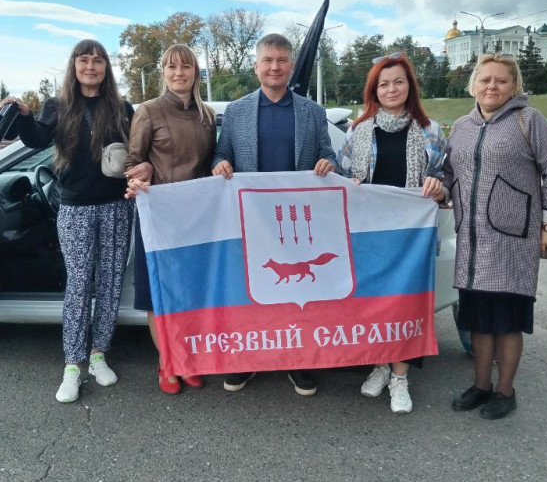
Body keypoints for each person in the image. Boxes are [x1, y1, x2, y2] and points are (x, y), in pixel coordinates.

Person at [0, 41, 134, 403]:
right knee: (78, 284)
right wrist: (24, 114)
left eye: (98, 60)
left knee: (110, 283)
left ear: (106, 67)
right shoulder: (57, 107)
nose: (91, 66)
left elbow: (139, 149)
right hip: (75, 209)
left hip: (117, 206)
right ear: (73, 66)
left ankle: (98, 354)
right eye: (83, 60)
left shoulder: (121, 108)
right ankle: (72, 365)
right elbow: (36, 138)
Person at [442, 52, 547, 420]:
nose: (492, 86)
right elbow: (449, 173)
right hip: (471, 240)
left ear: (514, 86)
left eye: (501, 80)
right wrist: (441, 190)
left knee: (508, 322)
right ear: (473, 85)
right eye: (485, 79)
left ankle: (505, 391)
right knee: (479, 320)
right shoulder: (461, 127)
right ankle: (481, 385)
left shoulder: (529, 120)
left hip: (513, 241)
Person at [211, 32, 337, 396]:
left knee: (299, 292)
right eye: (268, 60)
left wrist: (328, 162)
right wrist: (220, 164)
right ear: (256, 67)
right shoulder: (236, 112)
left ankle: (299, 361)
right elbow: (221, 153)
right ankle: (249, 359)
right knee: (251, 289)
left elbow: (328, 153)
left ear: (291, 66)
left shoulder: (312, 112)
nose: (275, 67)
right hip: (251, 220)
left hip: (296, 221)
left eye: (282, 60)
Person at [339, 52, 447, 414]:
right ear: (374, 90)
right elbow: (342, 177)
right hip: (369, 235)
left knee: (406, 306)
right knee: (374, 304)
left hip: (411, 236)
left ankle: (400, 377)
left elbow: (445, 179)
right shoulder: (358, 130)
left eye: (398, 81)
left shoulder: (430, 130)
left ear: (409, 86)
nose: (391, 89)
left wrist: (440, 188)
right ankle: (380, 366)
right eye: (383, 84)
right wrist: (349, 184)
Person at [125, 44, 216, 394]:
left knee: (188, 292)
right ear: (162, 72)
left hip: (196, 219)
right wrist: (143, 170)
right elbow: (132, 162)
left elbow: (210, 164)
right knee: (158, 294)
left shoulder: (207, 115)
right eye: (172, 67)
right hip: (157, 218)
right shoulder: (148, 111)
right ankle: (167, 361)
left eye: (186, 67)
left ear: (195, 72)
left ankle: (186, 357)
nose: (179, 73)